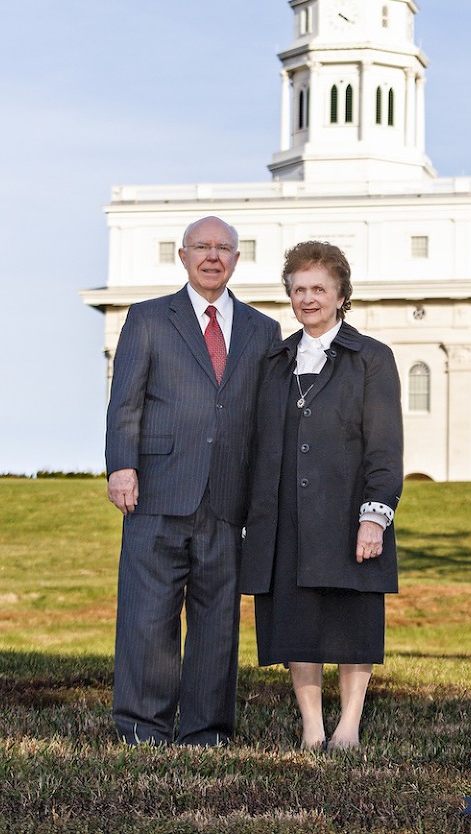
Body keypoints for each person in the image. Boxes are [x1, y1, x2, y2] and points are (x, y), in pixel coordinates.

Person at [106, 215, 281, 746]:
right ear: (182, 256)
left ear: (236, 258)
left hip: (228, 498)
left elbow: (264, 417)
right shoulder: (149, 318)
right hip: (156, 489)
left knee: (217, 622)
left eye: (223, 248)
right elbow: (125, 401)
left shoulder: (262, 330)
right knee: (146, 616)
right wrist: (121, 465)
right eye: (201, 247)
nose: (212, 256)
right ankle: (142, 728)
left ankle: (207, 731)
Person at [240, 241, 403, 750]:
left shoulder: (372, 358)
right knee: (297, 622)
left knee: (353, 621)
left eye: (319, 289)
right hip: (284, 515)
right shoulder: (274, 359)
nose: (308, 299)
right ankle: (312, 728)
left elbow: (385, 445)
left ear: (340, 295)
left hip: (347, 513)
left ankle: (348, 727)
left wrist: (374, 517)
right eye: (299, 289)